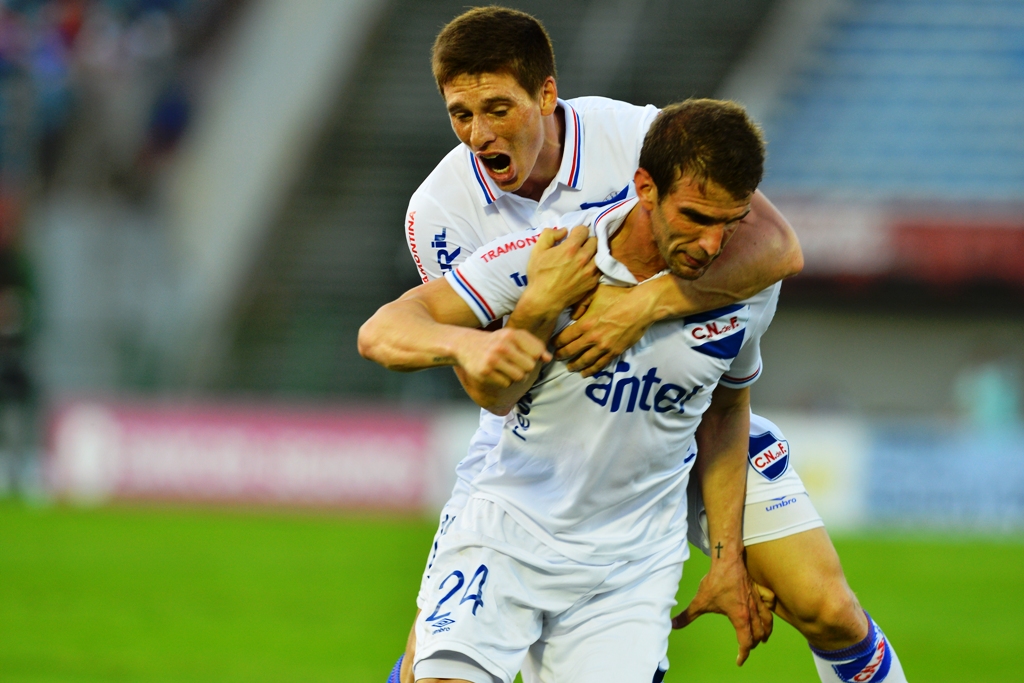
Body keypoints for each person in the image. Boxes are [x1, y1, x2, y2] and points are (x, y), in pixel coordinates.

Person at [393, 7, 908, 683]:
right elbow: (496, 380)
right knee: (435, 655)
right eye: (461, 115)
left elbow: (776, 246)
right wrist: (538, 311)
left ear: (547, 95)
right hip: (553, 440)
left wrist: (642, 306)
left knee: (828, 608)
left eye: (498, 109)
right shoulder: (438, 212)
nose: (479, 134)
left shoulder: (632, 135)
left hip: (684, 407)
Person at [362, 98, 778, 683]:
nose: (713, 246)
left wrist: (728, 555)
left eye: (730, 224)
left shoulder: (749, 288)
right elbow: (382, 331)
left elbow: (729, 407)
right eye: (695, 218)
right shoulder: (555, 254)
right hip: (508, 533)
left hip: (629, 568)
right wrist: (470, 344)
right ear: (645, 188)